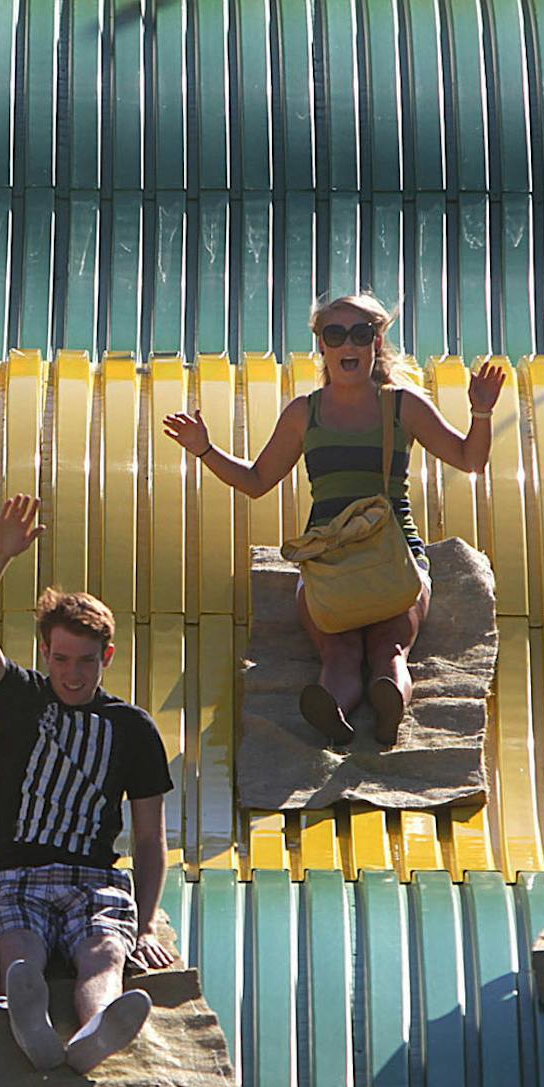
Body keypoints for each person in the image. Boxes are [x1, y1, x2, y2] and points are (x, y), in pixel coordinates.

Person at [162, 292, 503, 747]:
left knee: (372, 650)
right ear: (321, 346)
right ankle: (353, 708)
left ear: (377, 343)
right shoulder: (308, 412)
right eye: (335, 334)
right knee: (365, 650)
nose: (349, 344)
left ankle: (369, 705)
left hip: (386, 561)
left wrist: (482, 410)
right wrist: (204, 449)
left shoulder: (400, 406)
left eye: (361, 334)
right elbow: (258, 479)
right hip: (359, 563)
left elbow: (469, 459)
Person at [0, 494, 180, 1075]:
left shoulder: (132, 727)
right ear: (45, 654)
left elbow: (149, 839)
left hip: (95, 877)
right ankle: (28, 1016)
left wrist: (147, 920)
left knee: (102, 951)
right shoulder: (19, 696)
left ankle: (97, 1024)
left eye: (85, 661)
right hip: (19, 873)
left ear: (107, 657)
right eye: (60, 659)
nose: (71, 674)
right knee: (20, 941)